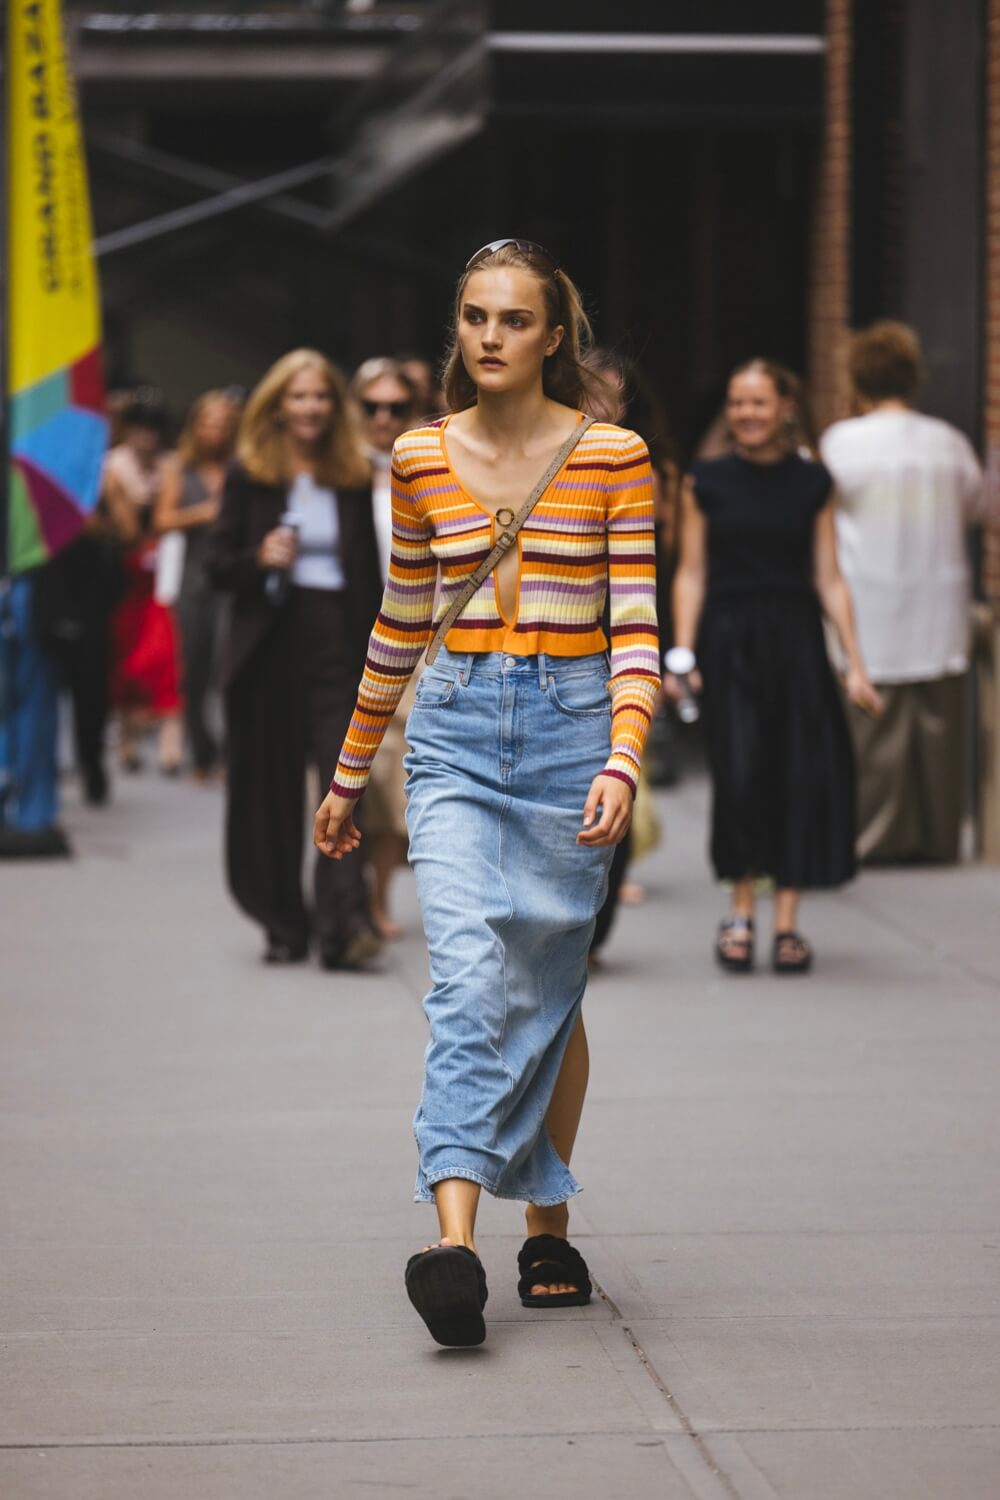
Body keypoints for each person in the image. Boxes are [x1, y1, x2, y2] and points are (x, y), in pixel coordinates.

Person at [313, 239, 659, 1346]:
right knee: (467, 975)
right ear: (457, 330)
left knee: (548, 986)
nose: (492, 336)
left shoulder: (613, 456)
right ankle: (452, 1245)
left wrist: (623, 755)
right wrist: (348, 769)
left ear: (555, 335)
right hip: (455, 732)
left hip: (568, 733)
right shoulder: (418, 455)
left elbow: (638, 628)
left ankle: (545, 1228)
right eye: (474, 317)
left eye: (514, 319)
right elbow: (400, 621)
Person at [666, 358, 881, 975]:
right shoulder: (704, 480)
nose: (746, 414)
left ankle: (787, 923)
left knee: (800, 774)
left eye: (758, 403)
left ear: (785, 407)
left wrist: (856, 666)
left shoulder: (813, 482)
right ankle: (740, 912)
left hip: (796, 643)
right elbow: (692, 572)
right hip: (729, 641)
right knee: (738, 774)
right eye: (736, 403)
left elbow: (830, 577)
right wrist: (683, 651)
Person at [207, 349, 383, 969]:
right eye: (298, 396)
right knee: (271, 789)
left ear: (335, 406)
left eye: (320, 396)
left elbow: (370, 568)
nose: (310, 407)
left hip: (339, 637)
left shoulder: (353, 472)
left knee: (344, 778)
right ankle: (283, 920)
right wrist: (260, 557)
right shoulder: (250, 472)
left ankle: (345, 923)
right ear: (277, 404)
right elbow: (217, 566)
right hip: (269, 643)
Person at [820, 321, 986, 863]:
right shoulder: (949, 441)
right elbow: (979, 507)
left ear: (857, 380)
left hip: (871, 605)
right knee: (940, 738)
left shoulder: (842, 443)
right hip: (940, 604)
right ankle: (937, 838)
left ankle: (872, 841)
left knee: (874, 742)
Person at [350, 357, 418, 936]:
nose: (383, 418)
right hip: (350, 637)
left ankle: (379, 895)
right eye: (372, 406)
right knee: (353, 774)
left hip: (414, 643)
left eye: (396, 407)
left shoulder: (432, 467)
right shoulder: (340, 474)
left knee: (396, 773)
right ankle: (354, 895)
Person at [155, 390, 242, 781]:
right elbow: (161, 520)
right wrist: (204, 514)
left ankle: (229, 752)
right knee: (194, 667)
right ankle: (202, 752)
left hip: (232, 580)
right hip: (194, 579)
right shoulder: (181, 467)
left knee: (229, 667)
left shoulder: (242, 465)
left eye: (222, 424)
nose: (215, 432)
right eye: (208, 423)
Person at [103, 394, 184, 775]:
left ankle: (170, 744)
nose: (147, 436)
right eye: (140, 427)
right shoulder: (114, 466)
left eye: (153, 428)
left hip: (163, 571)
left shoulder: (171, 465)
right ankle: (128, 738)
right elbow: (127, 529)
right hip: (125, 574)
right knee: (126, 660)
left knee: (164, 655)